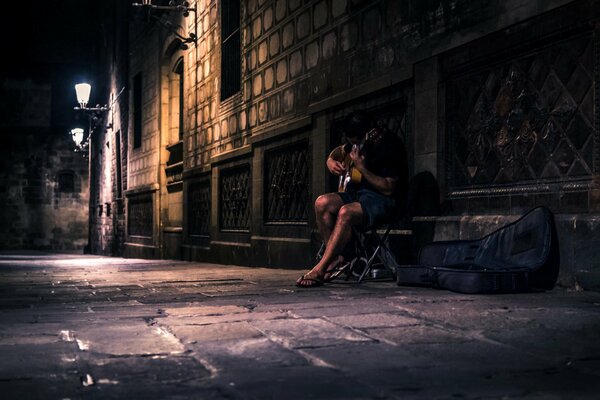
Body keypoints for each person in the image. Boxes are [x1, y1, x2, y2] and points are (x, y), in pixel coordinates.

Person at [296, 110, 409, 288]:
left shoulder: (389, 146)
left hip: (382, 200)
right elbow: (339, 151)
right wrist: (330, 161)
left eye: (354, 141)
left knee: (345, 212)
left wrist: (362, 168)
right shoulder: (358, 143)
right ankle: (337, 258)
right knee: (322, 202)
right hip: (357, 194)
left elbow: (388, 187)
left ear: (366, 133)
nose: (351, 145)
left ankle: (321, 268)